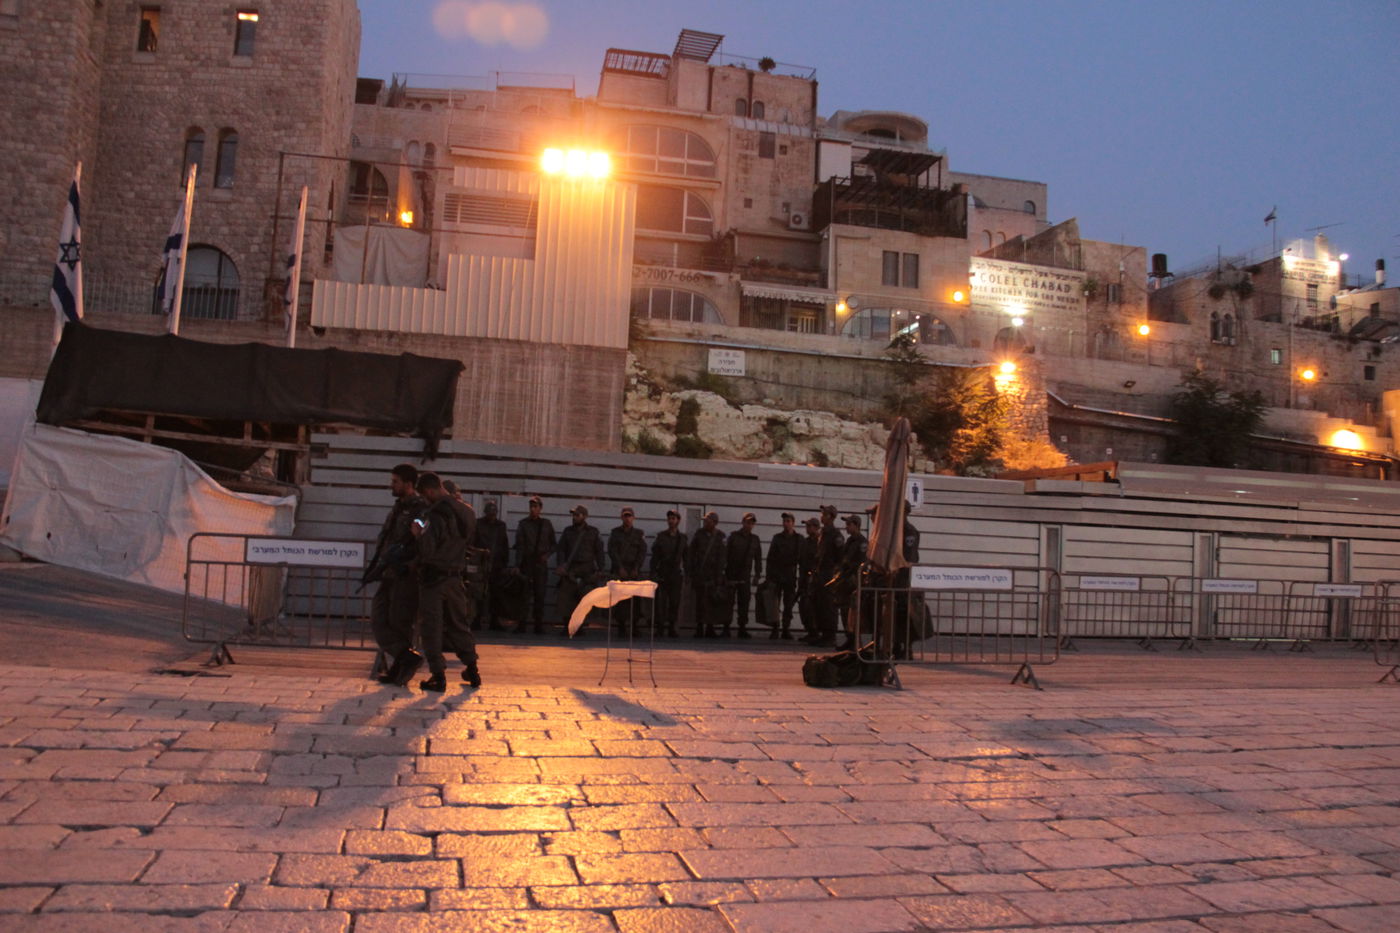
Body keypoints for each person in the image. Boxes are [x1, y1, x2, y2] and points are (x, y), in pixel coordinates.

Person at [409, 472, 481, 691]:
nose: (423, 499)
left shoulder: (432, 514)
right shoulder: (467, 511)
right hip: (456, 577)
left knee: (431, 627)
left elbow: (428, 549)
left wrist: (417, 534)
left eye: (424, 495)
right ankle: (472, 669)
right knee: (459, 624)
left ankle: (438, 676)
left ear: (430, 491)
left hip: (434, 579)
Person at [365, 463, 427, 686]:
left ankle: (399, 671)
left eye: (395, 481)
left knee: (400, 622)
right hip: (388, 571)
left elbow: (421, 539)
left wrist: (410, 564)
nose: (392, 485)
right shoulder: (398, 507)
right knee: (378, 618)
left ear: (408, 485)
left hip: (405, 573)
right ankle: (406, 656)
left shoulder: (420, 509)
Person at [555, 504, 605, 634]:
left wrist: (601, 569)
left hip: (587, 569)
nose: (574, 517)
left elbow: (599, 551)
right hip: (571, 569)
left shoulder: (593, 532)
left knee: (584, 599)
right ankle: (567, 625)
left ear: (584, 516)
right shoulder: (568, 531)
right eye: (574, 515)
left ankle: (580, 625)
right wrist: (561, 565)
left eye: (577, 515)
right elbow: (561, 549)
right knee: (566, 597)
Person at [514, 495, 555, 634]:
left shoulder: (546, 524)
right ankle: (522, 624)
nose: (533, 509)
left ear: (540, 508)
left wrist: (547, 556)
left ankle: (538, 624)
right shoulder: (523, 524)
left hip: (540, 563)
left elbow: (553, 544)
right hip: (527, 563)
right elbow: (519, 546)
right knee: (523, 595)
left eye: (535, 506)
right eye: (531, 506)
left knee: (540, 595)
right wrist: (517, 565)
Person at [806, 504, 844, 647]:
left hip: (829, 574)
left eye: (824, 514)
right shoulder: (823, 533)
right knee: (818, 604)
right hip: (819, 573)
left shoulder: (836, 535)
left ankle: (830, 635)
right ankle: (823, 633)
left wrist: (835, 575)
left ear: (830, 517)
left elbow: (840, 558)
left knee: (829, 605)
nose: (822, 517)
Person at [607, 506, 649, 634]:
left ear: (633, 518)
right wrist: (619, 568)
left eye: (629, 516)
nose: (627, 518)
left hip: (633, 570)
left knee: (635, 599)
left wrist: (636, 568)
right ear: (621, 517)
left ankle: (634, 626)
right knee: (620, 599)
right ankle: (621, 626)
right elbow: (612, 551)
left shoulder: (639, 534)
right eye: (625, 516)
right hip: (620, 569)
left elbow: (642, 552)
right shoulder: (615, 533)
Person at [686, 511, 726, 638]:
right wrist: (691, 572)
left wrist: (719, 576)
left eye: (708, 521)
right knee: (699, 602)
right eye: (705, 521)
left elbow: (722, 557)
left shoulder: (720, 536)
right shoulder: (699, 534)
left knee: (711, 602)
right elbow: (691, 553)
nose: (705, 523)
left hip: (713, 574)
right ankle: (699, 627)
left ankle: (710, 627)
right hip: (700, 573)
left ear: (714, 523)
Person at [473, 499, 511, 631]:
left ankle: (494, 620)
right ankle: (476, 619)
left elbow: (504, 545)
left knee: (496, 594)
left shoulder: (501, 526)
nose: (492, 516)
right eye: (490, 513)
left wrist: (504, 563)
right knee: (478, 593)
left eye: (493, 513)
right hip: (481, 563)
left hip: (496, 564)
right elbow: (474, 542)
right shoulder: (478, 524)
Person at [724, 512, 763, 638]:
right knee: (728, 603)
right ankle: (726, 628)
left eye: (752, 523)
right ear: (743, 522)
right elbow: (725, 555)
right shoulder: (733, 537)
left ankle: (742, 628)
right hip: (731, 574)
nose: (749, 524)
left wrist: (757, 575)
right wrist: (723, 574)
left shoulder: (755, 539)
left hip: (745, 576)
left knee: (744, 603)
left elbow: (758, 558)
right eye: (747, 522)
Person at [650, 509, 686, 637]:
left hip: (676, 573)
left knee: (674, 602)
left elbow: (686, 556)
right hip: (663, 572)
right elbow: (655, 556)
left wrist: (687, 573)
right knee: (661, 602)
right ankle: (660, 628)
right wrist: (653, 572)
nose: (671, 521)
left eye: (674, 518)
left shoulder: (683, 538)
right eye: (670, 518)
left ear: (678, 520)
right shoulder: (661, 536)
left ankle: (672, 627)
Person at [835, 513, 869, 649]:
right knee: (844, 610)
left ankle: (855, 639)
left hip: (854, 581)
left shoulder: (862, 542)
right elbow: (843, 559)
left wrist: (850, 574)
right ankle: (850, 638)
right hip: (845, 580)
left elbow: (860, 563)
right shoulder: (849, 541)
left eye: (849, 524)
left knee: (853, 611)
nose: (846, 527)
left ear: (857, 525)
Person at [765, 512, 801, 640]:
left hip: (790, 576)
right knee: (775, 604)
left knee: (788, 604)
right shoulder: (777, 538)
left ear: (793, 523)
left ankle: (786, 628)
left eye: (788, 521)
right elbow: (770, 558)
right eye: (784, 521)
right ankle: (775, 628)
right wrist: (768, 576)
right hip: (777, 575)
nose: (786, 523)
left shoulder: (798, 539)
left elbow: (802, 559)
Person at [797, 516, 821, 639]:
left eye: (809, 526)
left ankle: (815, 632)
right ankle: (810, 631)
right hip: (804, 577)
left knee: (812, 606)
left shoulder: (820, 542)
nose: (807, 528)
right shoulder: (805, 542)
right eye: (806, 526)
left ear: (816, 528)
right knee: (803, 606)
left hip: (815, 579)